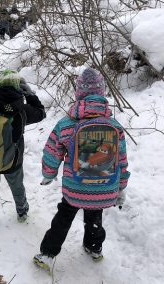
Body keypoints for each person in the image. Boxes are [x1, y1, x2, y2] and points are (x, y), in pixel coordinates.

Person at [33, 68, 131, 273]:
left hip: (75, 187)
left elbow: (52, 152)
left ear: (78, 94)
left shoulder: (67, 124)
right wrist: (120, 187)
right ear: (102, 94)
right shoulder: (114, 126)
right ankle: (94, 248)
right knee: (95, 215)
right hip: (104, 187)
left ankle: (48, 254)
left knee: (63, 218)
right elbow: (121, 160)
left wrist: (48, 174)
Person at [0, 70, 46, 229]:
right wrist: (30, 93)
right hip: (14, 160)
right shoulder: (22, 110)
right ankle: (21, 210)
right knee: (16, 184)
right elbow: (41, 113)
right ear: (19, 88)